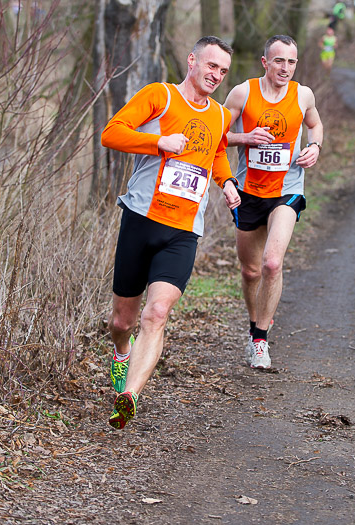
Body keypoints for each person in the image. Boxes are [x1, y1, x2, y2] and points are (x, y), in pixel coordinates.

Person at [100, 36, 240, 429]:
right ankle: (121, 353)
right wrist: (158, 142)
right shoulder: (158, 96)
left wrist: (227, 183)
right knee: (122, 322)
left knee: (157, 312)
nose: (216, 75)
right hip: (141, 219)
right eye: (211, 66)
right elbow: (111, 133)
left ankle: (129, 395)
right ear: (193, 61)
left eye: (223, 71)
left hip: (183, 230)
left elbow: (215, 153)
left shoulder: (218, 115)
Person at [223, 35, 324, 370]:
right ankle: (255, 326)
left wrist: (315, 146)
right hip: (248, 192)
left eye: (291, 62)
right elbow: (216, 134)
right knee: (250, 271)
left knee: (271, 264)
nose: (285, 68)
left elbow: (315, 123)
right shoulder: (242, 93)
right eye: (279, 61)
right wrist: (244, 137)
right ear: (265, 62)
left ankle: (260, 339)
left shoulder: (303, 94)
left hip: (287, 190)